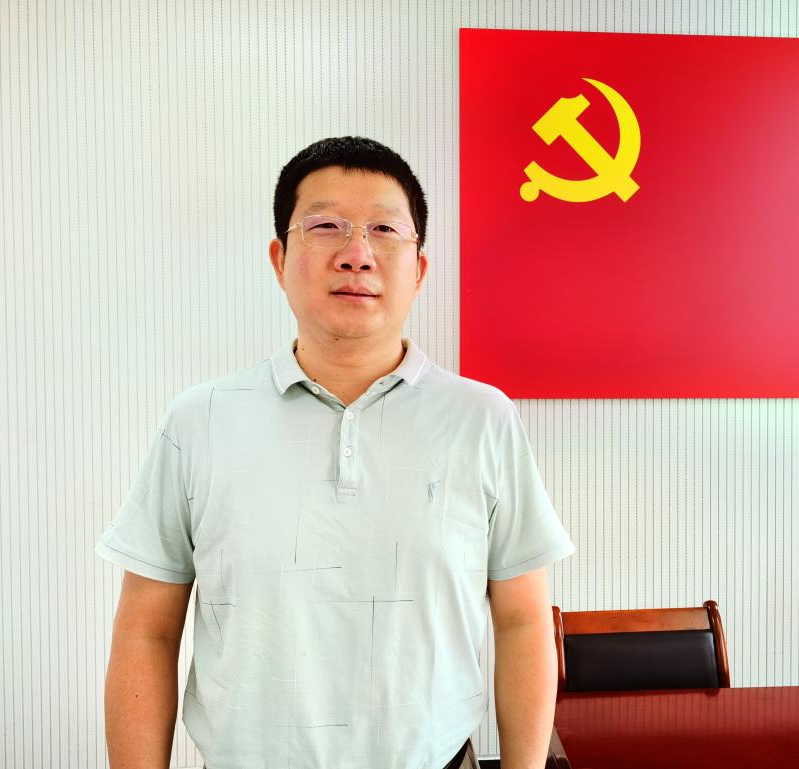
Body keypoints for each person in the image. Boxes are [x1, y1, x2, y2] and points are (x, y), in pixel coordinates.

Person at [96, 136, 575, 769]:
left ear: (419, 269)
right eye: (325, 226)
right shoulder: (200, 420)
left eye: (384, 230)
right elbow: (147, 630)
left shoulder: (482, 419)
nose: (357, 254)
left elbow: (522, 621)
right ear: (279, 259)